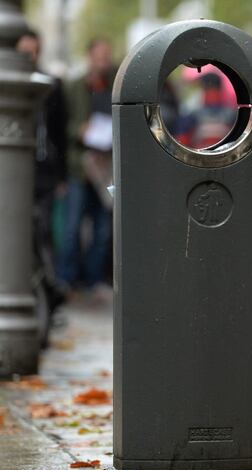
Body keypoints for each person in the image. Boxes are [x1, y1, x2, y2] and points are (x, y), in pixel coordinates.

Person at [16, 29, 68, 340]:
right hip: (16, 173)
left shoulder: (51, 86)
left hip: (44, 172)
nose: (28, 58)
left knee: (43, 232)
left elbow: (60, 131)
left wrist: (61, 176)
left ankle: (48, 289)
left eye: (32, 52)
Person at [57, 38, 116, 294]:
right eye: (99, 56)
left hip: (107, 168)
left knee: (104, 228)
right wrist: (78, 131)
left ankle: (93, 278)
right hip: (80, 166)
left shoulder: (115, 86)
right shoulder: (74, 86)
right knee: (73, 225)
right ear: (90, 56)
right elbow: (61, 124)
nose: (103, 62)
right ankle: (67, 278)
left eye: (107, 56)